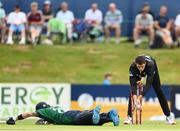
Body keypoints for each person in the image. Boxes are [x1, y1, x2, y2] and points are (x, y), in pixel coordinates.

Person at [123, 55, 176, 125]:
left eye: (142, 66)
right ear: (136, 64)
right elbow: (133, 86)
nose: (141, 68)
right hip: (137, 73)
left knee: (158, 90)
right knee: (132, 94)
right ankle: (129, 117)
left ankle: (169, 116)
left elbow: (148, 84)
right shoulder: (132, 68)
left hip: (151, 69)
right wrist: (135, 99)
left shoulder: (150, 65)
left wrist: (140, 97)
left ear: (145, 64)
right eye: (139, 66)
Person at [6, 102, 119, 126]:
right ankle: (109, 116)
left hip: (69, 117)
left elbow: (28, 114)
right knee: (94, 123)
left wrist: (15, 118)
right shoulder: (54, 108)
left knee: (79, 120)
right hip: (70, 112)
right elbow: (49, 121)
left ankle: (93, 112)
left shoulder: (42, 112)